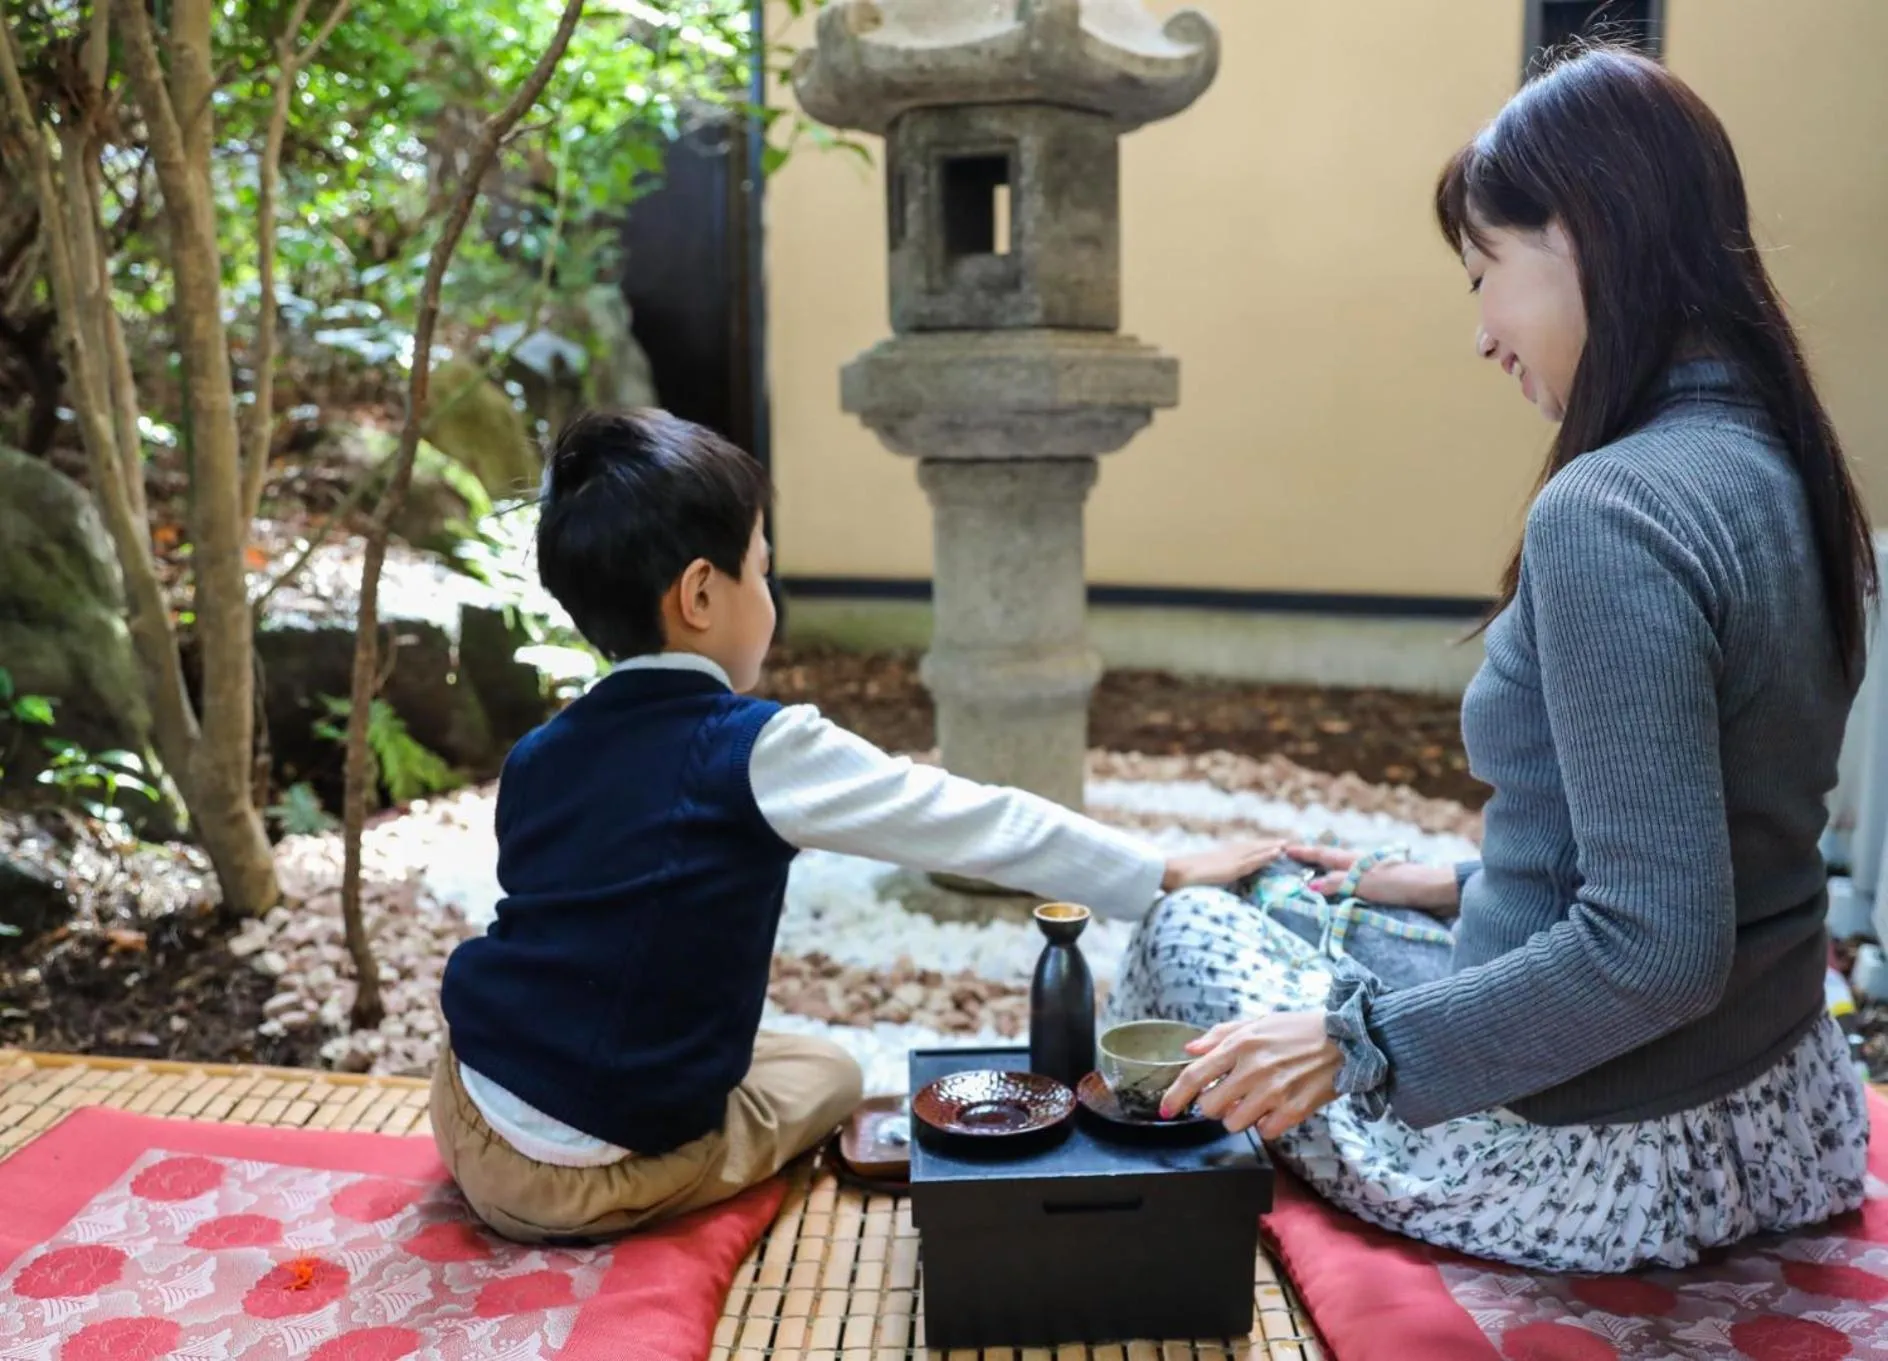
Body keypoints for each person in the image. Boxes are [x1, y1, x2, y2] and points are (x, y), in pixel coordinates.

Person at [1108, 46, 1877, 1273]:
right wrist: (1444, 884)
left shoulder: (1612, 510)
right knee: (1304, 897)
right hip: (1781, 1117)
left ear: (1591, 237)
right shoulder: (1787, 468)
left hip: (1602, 1162)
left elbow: (1656, 946)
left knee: (1191, 923)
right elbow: (1707, 842)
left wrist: (1355, 1045)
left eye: (1486, 274)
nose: (1481, 333)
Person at [430, 408, 1281, 1243]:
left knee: (763, 1051)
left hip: (467, 1101)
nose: (769, 593)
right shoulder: (754, 748)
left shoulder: (539, 753)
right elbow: (972, 818)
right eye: (760, 572)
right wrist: (1160, 871)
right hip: (583, 1177)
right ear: (699, 593)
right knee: (832, 1072)